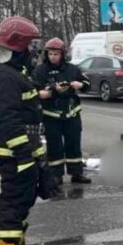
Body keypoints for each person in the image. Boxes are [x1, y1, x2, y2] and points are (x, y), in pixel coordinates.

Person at [0, 16, 49, 245]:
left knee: (23, 198)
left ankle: (17, 244)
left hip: (23, 148)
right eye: (29, 45)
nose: (32, 52)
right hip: (13, 152)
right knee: (12, 200)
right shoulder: (4, 77)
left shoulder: (11, 73)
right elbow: (7, 120)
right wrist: (23, 154)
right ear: (16, 45)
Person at [33, 38, 91, 186]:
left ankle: (76, 173)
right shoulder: (40, 70)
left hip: (71, 113)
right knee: (55, 145)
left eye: (56, 54)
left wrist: (81, 85)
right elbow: (36, 92)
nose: (53, 56)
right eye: (51, 53)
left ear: (62, 54)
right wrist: (53, 91)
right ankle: (56, 175)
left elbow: (87, 83)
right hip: (51, 115)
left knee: (73, 143)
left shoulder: (72, 69)